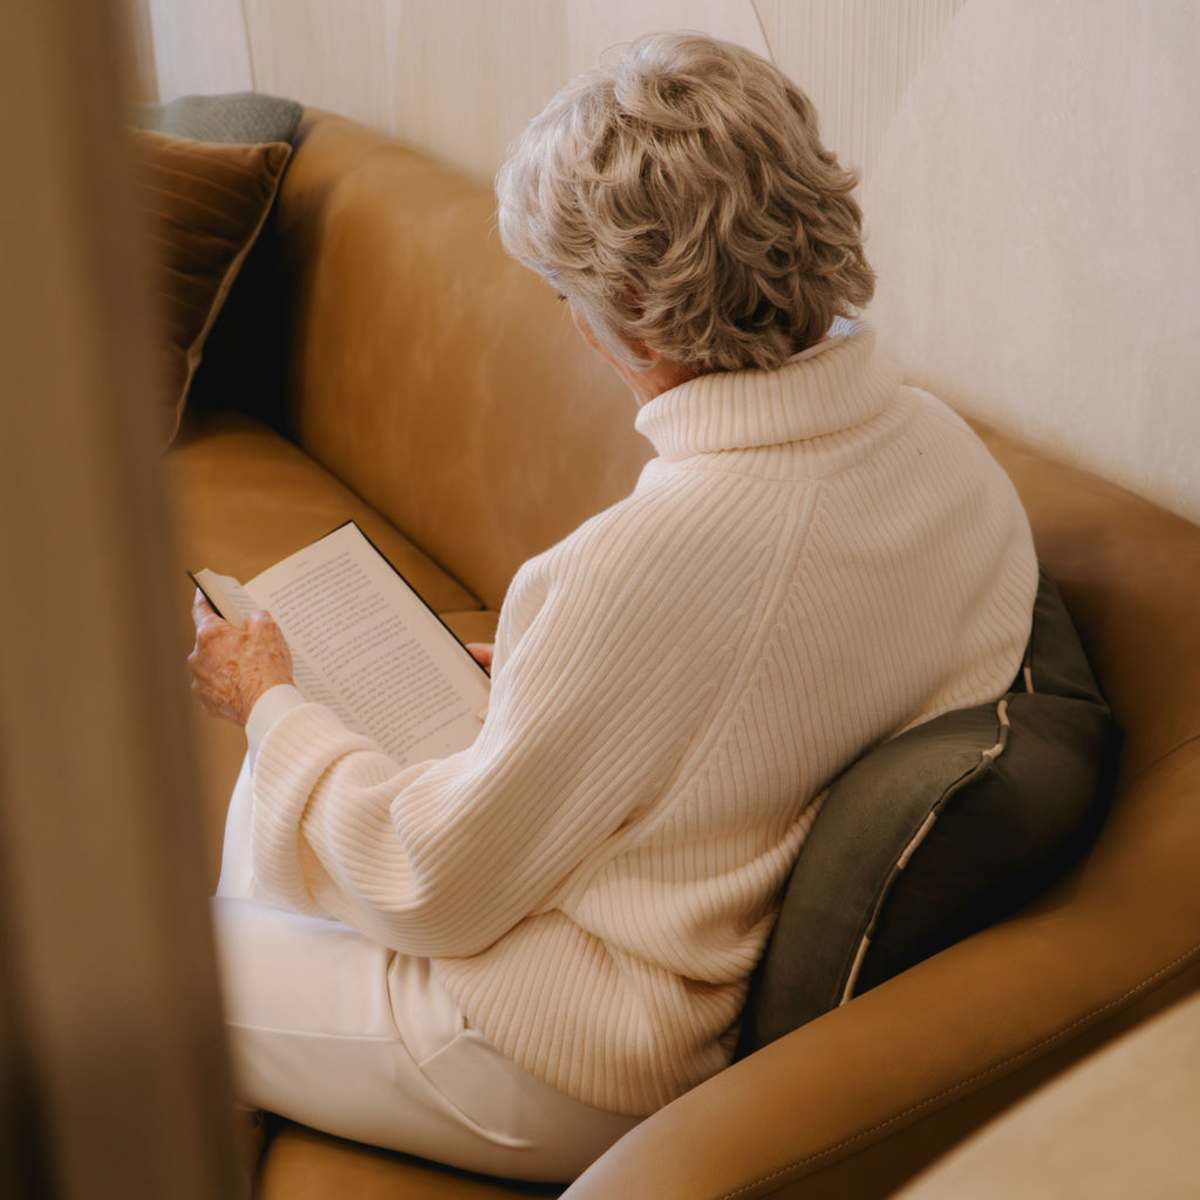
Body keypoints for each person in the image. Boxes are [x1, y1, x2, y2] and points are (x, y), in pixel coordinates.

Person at [187, 31, 1038, 1183]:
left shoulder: (649, 558)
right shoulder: (942, 454)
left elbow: (430, 881)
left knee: (111, 970)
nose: (570, 327)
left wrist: (272, 703)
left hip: (568, 1055)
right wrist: (549, 689)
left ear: (627, 309)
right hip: (628, 944)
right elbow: (765, 697)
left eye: (563, 293)